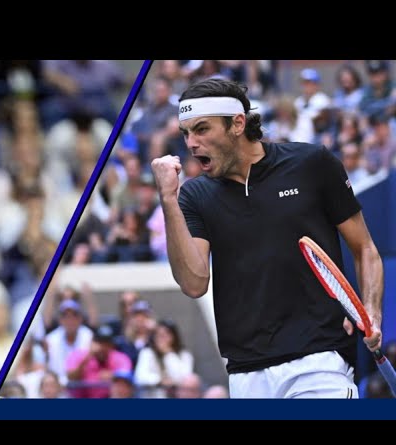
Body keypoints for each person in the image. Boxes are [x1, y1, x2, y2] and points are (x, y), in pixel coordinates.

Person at [151, 78, 384, 399]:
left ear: (237, 123)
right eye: (185, 133)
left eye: (202, 129)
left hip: (319, 361)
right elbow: (193, 283)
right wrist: (168, 199)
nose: (191, 143)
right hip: (246, 374)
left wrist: (371, 311)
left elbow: (365, 248)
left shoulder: (312, 164)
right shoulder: (194, 195)